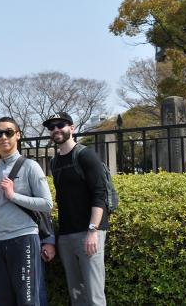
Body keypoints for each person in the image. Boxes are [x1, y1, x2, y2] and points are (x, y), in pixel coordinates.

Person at [0, 117, 53, 306]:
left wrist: (13, 195)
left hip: (23, 238)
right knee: (3, 299)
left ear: (18, 135)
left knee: (27, 299)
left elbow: (47, 204)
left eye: (9, 132)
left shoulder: (31, 166)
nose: (3, 137)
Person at [44, 112, 108, 306]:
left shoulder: (85, 155)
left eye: (61, 125)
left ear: (72, 128)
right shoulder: (54, 162)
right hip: (66, 236)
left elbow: (100, 194)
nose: (56, 129)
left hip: (89, 233)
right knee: (77, 295)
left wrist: (92, 230)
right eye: (51, 127)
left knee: (95, 296)